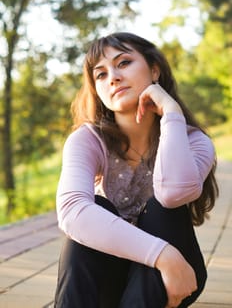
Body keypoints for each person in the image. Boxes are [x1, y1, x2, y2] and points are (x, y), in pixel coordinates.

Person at [54, 32, 219, 308]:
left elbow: (173, 194)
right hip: (130, 270)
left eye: (123, 63)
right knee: (94, 208)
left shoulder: (195, 141)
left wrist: (171, 112)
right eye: (101, 75)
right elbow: (71, 212)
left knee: (161, 208)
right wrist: (161, 254)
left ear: (155, 70)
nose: (113, 78)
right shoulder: (87, 140)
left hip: (172, 278)